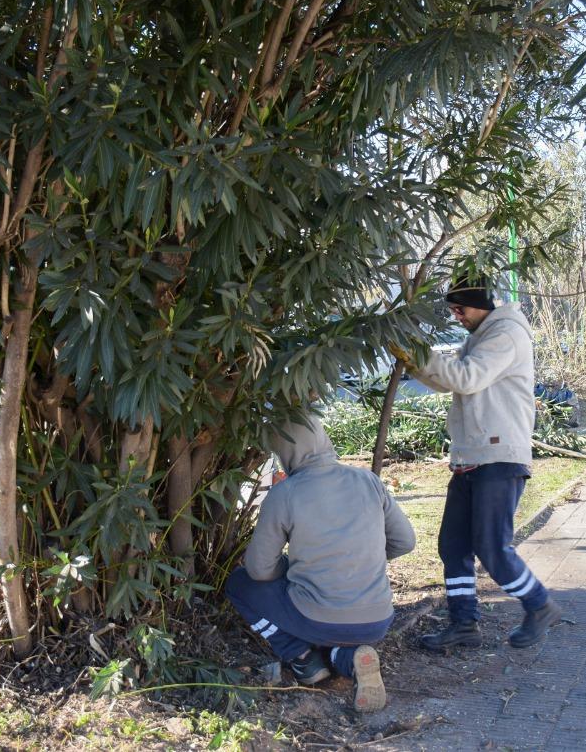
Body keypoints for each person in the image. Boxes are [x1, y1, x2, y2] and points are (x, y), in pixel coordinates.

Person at [392, 273, 562, 653]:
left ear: (481, 303)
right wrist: (410, 356)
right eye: (452, 309)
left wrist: (415, 352)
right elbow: (448, 379)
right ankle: (463, 623)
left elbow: (467, 378)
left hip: (499, 457)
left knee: (491, 546)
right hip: (472, 457)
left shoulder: (505, 334)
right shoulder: (480, 336)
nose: (457, 316)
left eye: (460, 308)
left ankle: (539, 604)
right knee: (453, 546)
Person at [226, 413, 416, 712]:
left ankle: (300, 656)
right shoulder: (369, 480)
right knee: (333, 629)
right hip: (376, 621)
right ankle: (349, 659)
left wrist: (288, 570)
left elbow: (259, 570)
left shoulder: (285, 493)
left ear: (284, 450)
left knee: (239, 584)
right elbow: (405, 542)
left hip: (315, 617)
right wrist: (363, 561)